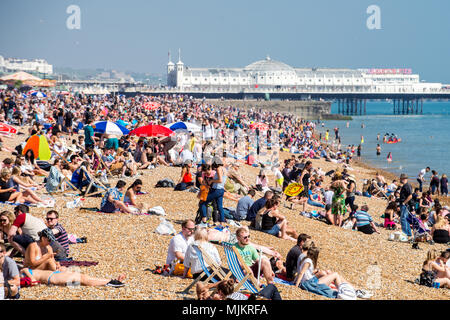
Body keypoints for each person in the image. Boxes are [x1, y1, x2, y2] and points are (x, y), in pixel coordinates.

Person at [20, 267, 126, 288]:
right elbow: (33, 281)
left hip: (54, 275)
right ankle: (111, 282)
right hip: (53, 278)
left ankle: (111, 282)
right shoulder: (18, 276)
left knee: (82, 279)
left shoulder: (20, 272)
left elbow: (24, 269)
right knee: (82, 279)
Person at [398, 173, 413, 238]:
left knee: (403, 219)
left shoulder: (407, 185)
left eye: (401, 179)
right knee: (405, 219)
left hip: (405, 205)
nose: (400, 180)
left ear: (403, 179)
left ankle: (405, 233)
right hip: (404, 204)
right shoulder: (405, 185)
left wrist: (404, 202)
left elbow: (410, 196)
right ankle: (408, 233)